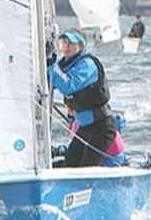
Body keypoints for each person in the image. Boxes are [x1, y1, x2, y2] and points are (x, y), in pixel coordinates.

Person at [48, 29, 118, 167]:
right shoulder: (64, 65)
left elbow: (68, 85)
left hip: (102, 128)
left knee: (85, 169)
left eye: (71, 43)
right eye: (64, 42)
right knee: (69, 165)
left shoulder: (87, 65)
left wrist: (51, 64)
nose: (66, 47)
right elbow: (50, 81)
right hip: (85, 128)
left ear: (80, 46)